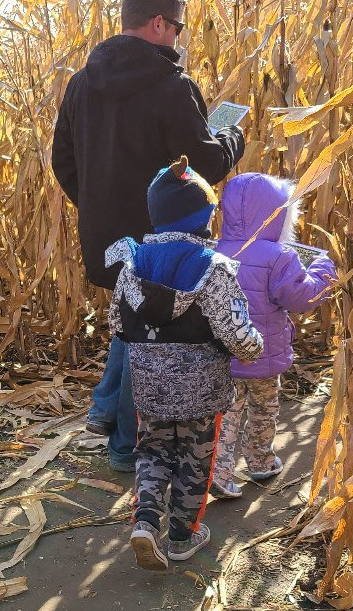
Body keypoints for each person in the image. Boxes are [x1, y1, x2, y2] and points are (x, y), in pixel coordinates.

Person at [52, 0, 245, 471]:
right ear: (159, 23)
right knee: (151, 337)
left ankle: (103, 409)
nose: (178, 38)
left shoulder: (81, 84)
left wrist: (98, 207)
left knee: (131, 322)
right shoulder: (171, 87)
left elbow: (63, 162)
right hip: (163, 242)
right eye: (178, 27)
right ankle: (124, 447)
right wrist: (233, 138)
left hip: (104, 234)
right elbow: (207, 165)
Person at [106, 156, 264, 571]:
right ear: (204, 219)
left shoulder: (130, 266)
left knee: (153, 451)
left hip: (150, 388)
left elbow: (118, 325)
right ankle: (181, 537)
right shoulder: (214, 270)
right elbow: (238, 337)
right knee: (196, 460)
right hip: (202, 392)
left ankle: (144, 521)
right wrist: (255, 347)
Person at [211, 173, 337, 498]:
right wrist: (323, 270)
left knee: (227, 413)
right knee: (264, 409)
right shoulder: (279, 255)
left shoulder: (215, 250)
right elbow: (301, 298)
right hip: (263, 358)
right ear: (277, 213)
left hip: (223, 356)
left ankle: (219, 472)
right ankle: (260, 462)